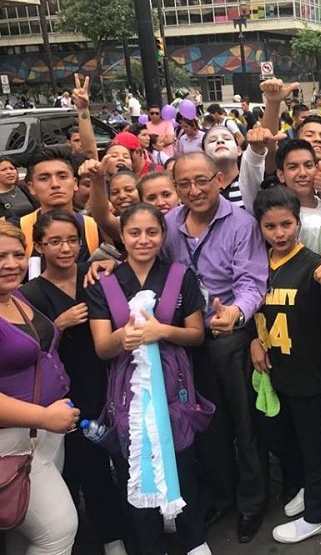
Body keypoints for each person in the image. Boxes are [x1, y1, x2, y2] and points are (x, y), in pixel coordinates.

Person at [86, 203, 211, 555]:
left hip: (174, 390)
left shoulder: (179, 276)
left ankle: (193, 539)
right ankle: (147, 544)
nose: (144, 240)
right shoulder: (104, 283)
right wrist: (121, 338)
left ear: (163, 234)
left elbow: (196, 335)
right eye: (134, 233)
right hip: (129, 397)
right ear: (121, 237)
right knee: (132, 466)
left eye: (152, 232)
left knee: (182, 460)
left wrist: (162, 330)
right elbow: (102, 347)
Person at [248, 186, 321, 544]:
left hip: (309, 372)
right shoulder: (258, 264)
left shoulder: (315, 265)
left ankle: (316, 514)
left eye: (286, 224)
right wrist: (256, 339)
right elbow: (256, 309)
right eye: (270, 226)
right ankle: (303, 488)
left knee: (312, 444)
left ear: (298, 223)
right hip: (273, 371)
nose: (279, 233)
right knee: (282, 439)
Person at [160, 152, 268, 543]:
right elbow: (143, 258)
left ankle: (253, 502)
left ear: (219, 180)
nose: (194, 190)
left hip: (229, 334)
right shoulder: (169, 223)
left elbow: (253, 281)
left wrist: (236, 314)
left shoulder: (241, 224)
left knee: (244, 423)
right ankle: (223, 495)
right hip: (188, 337)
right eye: (184, 184)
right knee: (207, 425)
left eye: (202, 181)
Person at [20, 212, 126, 555]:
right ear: (38, 246)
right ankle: (108, 537)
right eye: (54, 242)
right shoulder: (30, 293)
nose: (65, 248)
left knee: (125, 457)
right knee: (87, 465)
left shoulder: (95, 273)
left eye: (71, 240)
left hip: (110, 379)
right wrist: (58, 324)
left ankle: (137, 526)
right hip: (68, 392)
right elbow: (24, 348)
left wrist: (111, 266)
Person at [0, 221, 81, 555]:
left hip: (43, 435)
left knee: (23, 528)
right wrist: (44, 416)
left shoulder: (16, 296)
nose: (11, 263)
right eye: (0, 256)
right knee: (57, 531)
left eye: (18, 254)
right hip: (11, 440)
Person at [20, 152, 100, 262]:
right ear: (31, 187)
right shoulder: (19, 229)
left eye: (62, 176)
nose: (55, 184)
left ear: (75, 183)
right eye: (44, 178)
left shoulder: (94, 228)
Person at [0, 154, 36, 224]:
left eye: (12, 168)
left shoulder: (24, 188)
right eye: (3, 170)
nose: (9, 172)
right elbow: (3, 226)